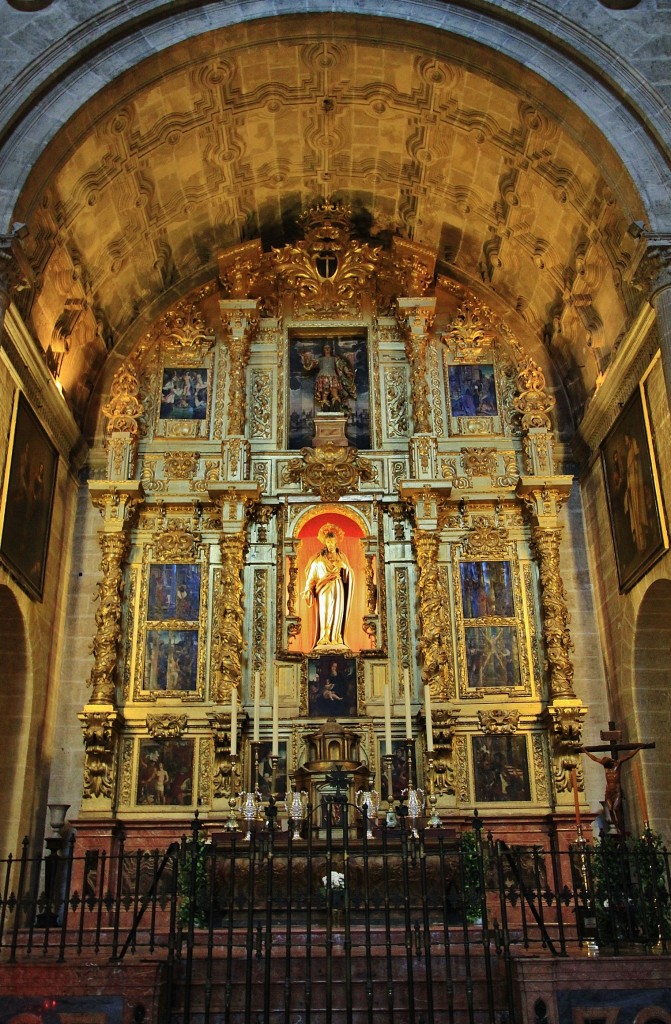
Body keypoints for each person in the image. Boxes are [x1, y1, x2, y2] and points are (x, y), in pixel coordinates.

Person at [303, 524, 353, 650]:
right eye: (328, 541)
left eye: (332, 541)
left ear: (336, 542)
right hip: (323, 589)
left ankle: (335, 637)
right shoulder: (318, 560)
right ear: (325, 542)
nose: (330, 544)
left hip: (338, 587)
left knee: (337, 612)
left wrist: (344, 567)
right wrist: (307, 589)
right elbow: (312, 577)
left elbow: (349, 575)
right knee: (325, 612)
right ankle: (324, 636)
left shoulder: (342, 557)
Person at [580, 747, 641, 836]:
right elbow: (594, 758)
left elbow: (628, 756)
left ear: (610, 761)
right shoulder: (605, 766)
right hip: (608, 792)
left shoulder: (617, 763)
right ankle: (616, 827)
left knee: (616, 808)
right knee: (610, 809)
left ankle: (620, 827)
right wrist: (585, 752)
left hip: (616, 792)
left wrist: (638, 748)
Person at [301, 342, 356, 412]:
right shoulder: (320, 359)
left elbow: (342, 365)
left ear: (331, 349)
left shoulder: (334, 359)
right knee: (324, 396)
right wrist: (305, 358)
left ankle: (336, 409)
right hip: (323, 378)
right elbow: (310, 365)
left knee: (335, 394)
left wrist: (347, 371)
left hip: (333, 378)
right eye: (325, 348)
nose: (327, 349)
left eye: (328, 348)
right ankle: (325, 410)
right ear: (323, 349)